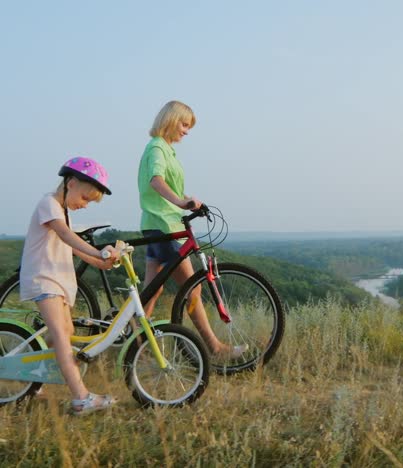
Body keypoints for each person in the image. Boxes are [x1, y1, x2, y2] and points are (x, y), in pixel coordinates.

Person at [137, 100, 247, 357]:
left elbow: (170, 188)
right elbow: (156, 181)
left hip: (160, 223)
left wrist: (188, 201)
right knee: (192, 287)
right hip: (163, 225)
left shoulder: (166, 149)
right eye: (184, 124)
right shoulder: (157, 148)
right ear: (171, 120)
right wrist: (179, 202)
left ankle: (134, 343)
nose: (186, 131)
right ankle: (214, 346)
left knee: (152, 291)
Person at [20, 157, 120, 415]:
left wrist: (98, 262)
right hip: (45, 279)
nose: (85, 205)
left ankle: (34, 382)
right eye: (85, 198)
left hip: (57, 282)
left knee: (59, 333)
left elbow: (70, 246)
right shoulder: (49, 205)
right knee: (62, 336)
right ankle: (81, 397)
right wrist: (99, 253)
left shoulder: (61, 211)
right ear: (71, 183)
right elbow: (66, 235)